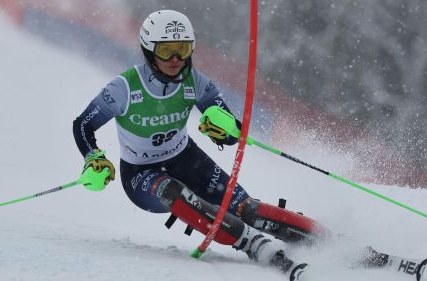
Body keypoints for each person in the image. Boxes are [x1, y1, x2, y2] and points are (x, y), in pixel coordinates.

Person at [73, 10, 324, 281]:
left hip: (187, 160)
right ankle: (253, 244)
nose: (176, 59)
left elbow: (231, 132)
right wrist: (93, 156)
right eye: (166, 50)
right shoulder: (123, 88)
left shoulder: (196, 82)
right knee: (172, 191)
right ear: (148, 50)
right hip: (141, 173)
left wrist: (224, 131)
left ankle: (328, 240)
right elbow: (83, 125)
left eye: (182, 49)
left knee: (247, 209)